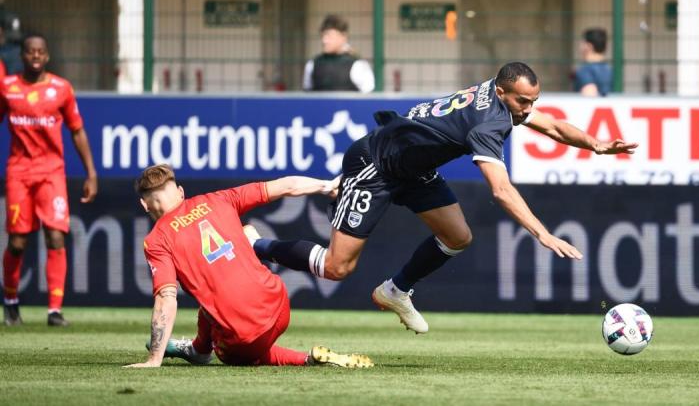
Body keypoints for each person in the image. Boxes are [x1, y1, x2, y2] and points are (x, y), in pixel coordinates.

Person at [250, 62, 637, 334]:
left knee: (458, 237)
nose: (529, 109)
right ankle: (258, 244)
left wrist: (597, 145)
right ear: (502, 92)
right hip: (376, 165)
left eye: (533, 100)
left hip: (414, 168)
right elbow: (501, 191)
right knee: (337, 268)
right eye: (523, 102)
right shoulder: (489, 121)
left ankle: (396, 291)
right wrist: (544, 235)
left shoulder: (497, 95)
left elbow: (550, 124)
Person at [125, 164, 372, 368]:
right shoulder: (218, 199)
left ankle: (306, 358)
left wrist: (154, 359)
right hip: (279, 305)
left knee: (235, 352)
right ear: (180, 192)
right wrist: (325, 185)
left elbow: (166, 298)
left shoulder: (157, 240)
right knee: (212, 301)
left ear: (145, 205)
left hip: (246, 336)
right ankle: (196, 348)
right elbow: (285, 186)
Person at [2, 33, 98, 327]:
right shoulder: (7, 88)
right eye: (30, 51)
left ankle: (54, 310)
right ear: (23, 55)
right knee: (17, 242)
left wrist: (91, 173)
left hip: (51, 172)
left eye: (40, 52)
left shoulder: (61, 89)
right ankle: (11, 302)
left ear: (47, 56)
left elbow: (77, 130)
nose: (35, 56)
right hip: (19, 172)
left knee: (55, 236)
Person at [302, 14, 375, 93]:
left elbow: (368, 97)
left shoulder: (358, 65)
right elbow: (307, 93)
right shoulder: (312, 64)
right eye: (323, 36)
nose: (324, 41)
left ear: (343, 37)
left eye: (329, 36)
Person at [574, 28, 612, 96]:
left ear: (588, 46)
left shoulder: (586, 71)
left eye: (582, 43)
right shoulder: (611, 70)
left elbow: (589, 96)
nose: (580, 47)